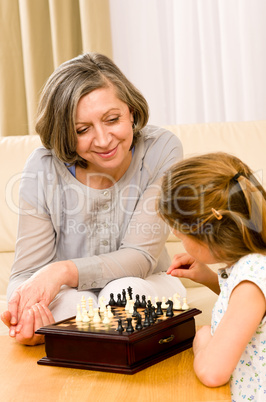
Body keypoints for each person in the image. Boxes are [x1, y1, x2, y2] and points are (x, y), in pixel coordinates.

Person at [1, 52, 186, 346]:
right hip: (71, 295)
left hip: (145, 281)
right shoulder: (42, 167)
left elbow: (140, 256)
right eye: (82, 130)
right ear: (64, 133)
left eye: (112, 119)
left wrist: (60, 270)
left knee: (122, 295)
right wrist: (29, 318)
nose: (103, 140)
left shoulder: (161, 149)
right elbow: (26, 275)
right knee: (74, 306)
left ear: (132, 112)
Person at [158, 151, 266, 401]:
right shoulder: (253, 266)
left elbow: (213, 373)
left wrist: (203, 341)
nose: (178, 239)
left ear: (204, 232)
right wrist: (209, 278)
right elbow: (251, 312)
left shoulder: (252, 279)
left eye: (180, 234)